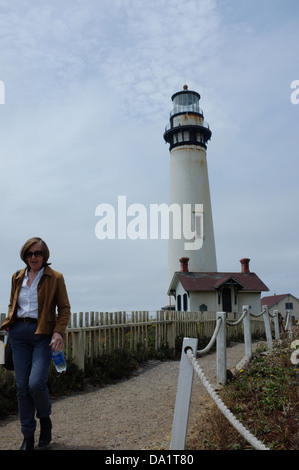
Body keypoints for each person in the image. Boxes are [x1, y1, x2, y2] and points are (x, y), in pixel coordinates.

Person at [0, 237, 71, 450]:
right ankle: (28, 436)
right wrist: (9, 325)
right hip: (19, 334)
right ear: (25, 256)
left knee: (35, 383)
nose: (33, 257)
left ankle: (45, 418)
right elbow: (13, 303)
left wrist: (58, 332)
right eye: (30, 253)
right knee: (22, 387)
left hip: (43, 335)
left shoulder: (55, 278)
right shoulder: (16, 277)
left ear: (44, 255)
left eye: (38, 253)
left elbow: (64, 309)